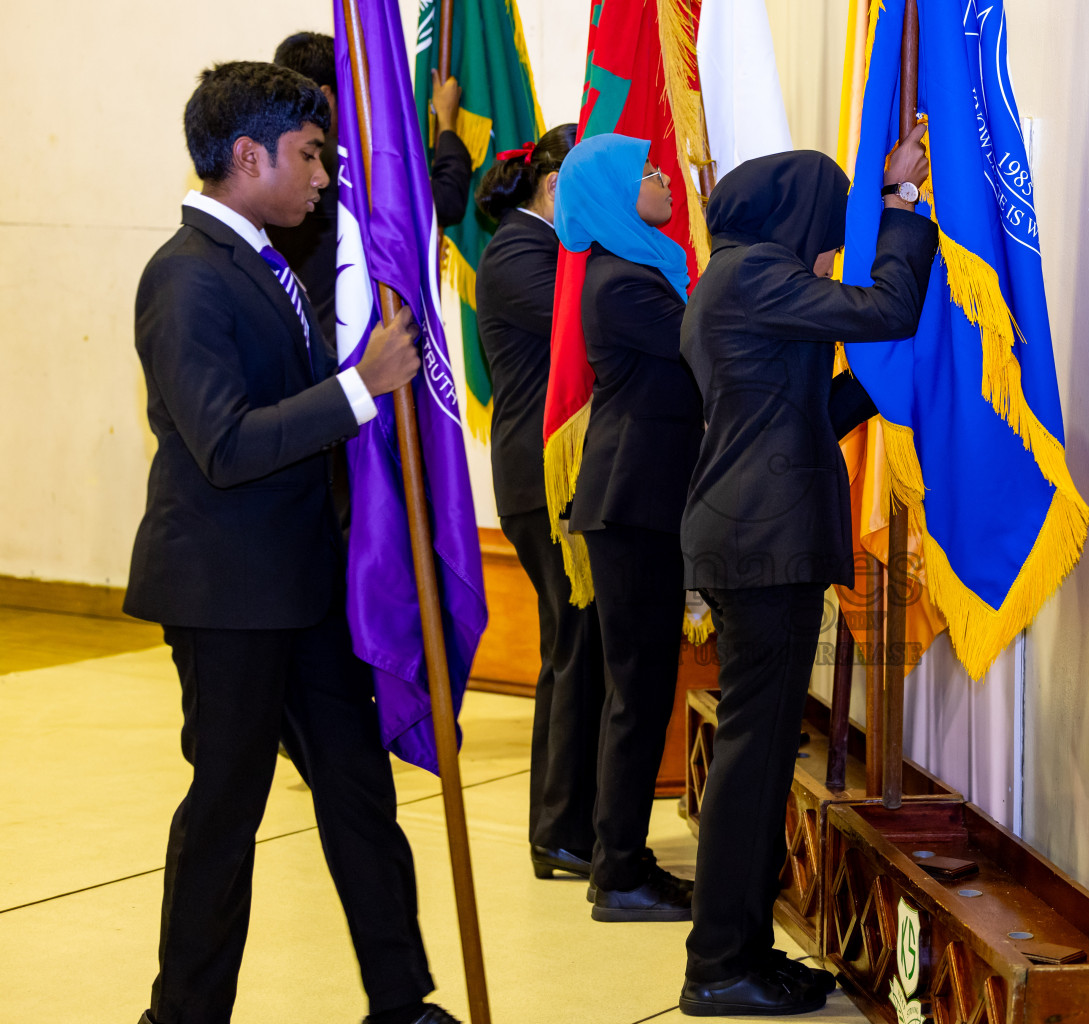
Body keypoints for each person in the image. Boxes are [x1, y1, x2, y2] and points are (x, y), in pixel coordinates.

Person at [124, 61, 457, 1024]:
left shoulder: (264, 259)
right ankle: (181, 1015)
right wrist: (362, 389)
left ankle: (401, 1000)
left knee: (359, 794)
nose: (324, 176)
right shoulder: (183, 279)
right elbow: (225, 444)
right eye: (310, 156)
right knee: (227, 813)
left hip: (303, 589)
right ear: (247, 156)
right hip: (227, 598)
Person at [676, 132, 938, 1016]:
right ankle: (718, 966)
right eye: (829, 219)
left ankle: (740, 951)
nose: (833, 238)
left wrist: (884, 384)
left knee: (759, 756)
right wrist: (900, 214)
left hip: (756, 533)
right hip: (761, 542)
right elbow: (886, 307)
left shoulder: (739, 279)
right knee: (753, 762)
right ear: (793, 214)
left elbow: (807, 411)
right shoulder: (751, 273)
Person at [553, 133, 703, 922]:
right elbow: (709, 350)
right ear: (611, 191)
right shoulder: (622, 285)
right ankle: (619, 873)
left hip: (644, 503)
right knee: (637, 694)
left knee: (640, 691)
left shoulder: (638, 270)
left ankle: (623, 863)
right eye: (645, 170)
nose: (663, 177)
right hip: (631, 504)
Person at [473, 124, 607, 882]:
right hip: (545, 481)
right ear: (557, 188)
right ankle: (560, 827)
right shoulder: (523, 253)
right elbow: (591, 327)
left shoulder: (541, 249)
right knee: (573, 649)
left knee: (577, 648)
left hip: (558, 479)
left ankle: (567, 823)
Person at [269, 30, 472, 354]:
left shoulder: (270, 160)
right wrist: (446, 123)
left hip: (299, 351)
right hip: (358, 355)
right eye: (348, 89)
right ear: (325, 95)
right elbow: (445, 202)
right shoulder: (342, 162)